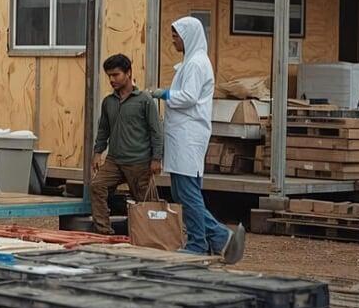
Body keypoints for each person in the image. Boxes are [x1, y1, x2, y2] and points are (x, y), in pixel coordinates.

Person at [150, 17, 245, 261]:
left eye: (176, 36)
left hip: (187, 136)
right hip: (185, 136)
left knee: (187, 193)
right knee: (183, 193)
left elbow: (189, 97)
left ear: (188, 36)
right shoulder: (192, 62)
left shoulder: (195, 64)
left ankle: (206, 240)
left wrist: (164, 94)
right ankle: (212, 238)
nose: (173, 41)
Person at [89, 53, 163, 234]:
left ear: (128, 73)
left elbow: (157, 131)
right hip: (114, 161)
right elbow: (103, 130)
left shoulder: (144, 100)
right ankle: (103, 231)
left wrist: (156, 159)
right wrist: (97, 153)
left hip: (139, 162)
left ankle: (158, 236)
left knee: (148, 203)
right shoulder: (108, 102)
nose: (112, 80)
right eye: (109, 76)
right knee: (97, 186)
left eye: (116, 75)